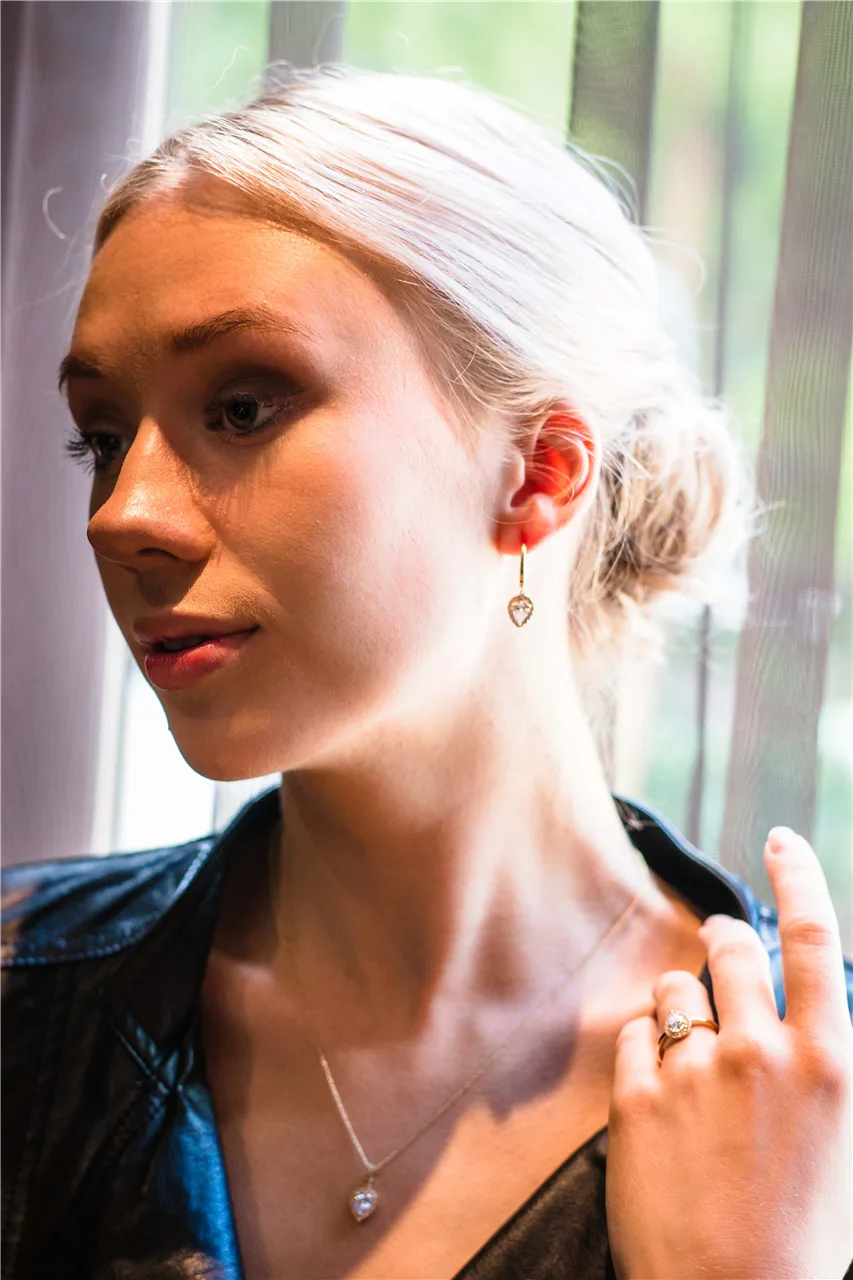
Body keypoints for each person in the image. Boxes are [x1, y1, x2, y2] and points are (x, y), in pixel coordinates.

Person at [1, 64, 851, 1280]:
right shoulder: (23, 993)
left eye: (241, 408)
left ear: (537, 474)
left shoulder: (815, 1106)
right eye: (104, 433)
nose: (121, 514)